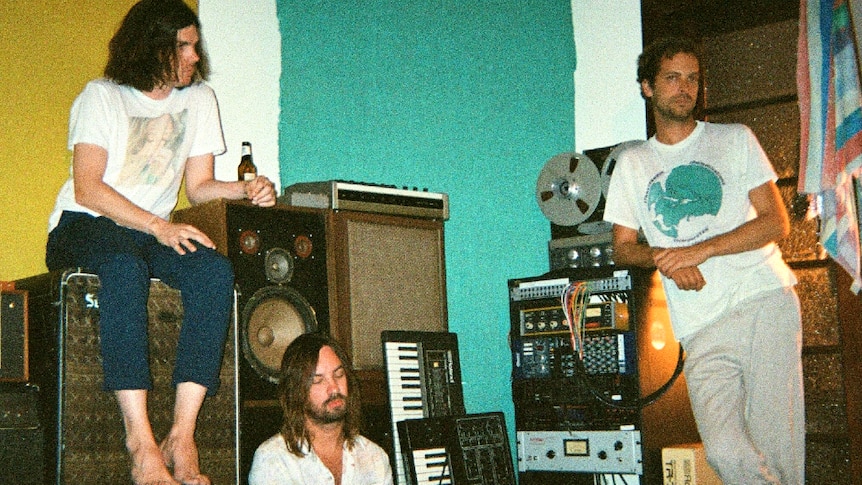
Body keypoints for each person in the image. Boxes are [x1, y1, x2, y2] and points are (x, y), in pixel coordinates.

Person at [44, 1, 277, 484]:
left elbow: (199, 188)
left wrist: (246, 190)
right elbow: (88, 187)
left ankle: (181, 436)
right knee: (125, 268)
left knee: (214, 272)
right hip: (83, 224)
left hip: (147, 232)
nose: (196, 56)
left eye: (196, 45)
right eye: (185, 46)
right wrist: (158, 226)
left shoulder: (199, 100)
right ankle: (140, 443)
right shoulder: (101, 96)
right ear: (153, 47)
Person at [603, 37, 804, 484]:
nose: (684, 88)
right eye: (672, 78)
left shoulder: (734, 139)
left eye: (692, 79)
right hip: (699, 322)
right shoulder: (633, 163)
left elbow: (776, 223)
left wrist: (700, 250)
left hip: (763, 300)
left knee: (780, 448)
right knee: (724, 452)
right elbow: (622, 247)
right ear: (647, 88)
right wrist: (667, 258)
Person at [248, 334, 393, 485]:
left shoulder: (375, 458)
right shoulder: (274, 460)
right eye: (318, 380)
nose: (334, 389)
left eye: (339, 375)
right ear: (296, 392)